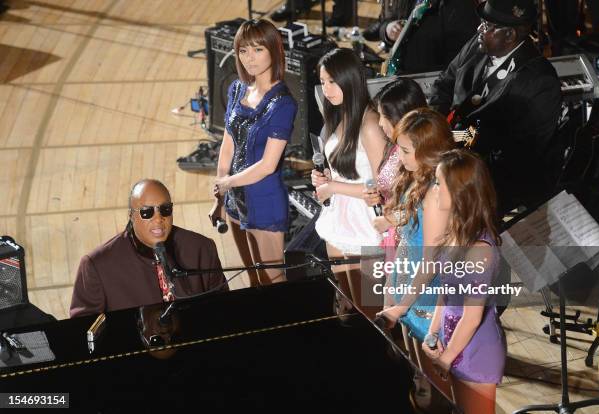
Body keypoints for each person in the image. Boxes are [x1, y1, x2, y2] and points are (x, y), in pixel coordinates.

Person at [429, 0, 562, 215]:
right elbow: (444, 84)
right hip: (449, 154)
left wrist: (455, 155)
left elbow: (518, 156)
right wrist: (434, 132)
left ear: (509, 35)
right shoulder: (478, 44)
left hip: (487, 186)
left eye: (486, 25)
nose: (479, 29)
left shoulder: (539, 81)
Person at [375, 108, 455, 404]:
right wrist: (391, 219)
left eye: (405, 150)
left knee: (435, 383)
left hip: (424, 295)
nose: (399, 155)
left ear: (427, 151)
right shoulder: (419, 176)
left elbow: (432, 259)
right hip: (407, 285)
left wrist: (401, 305)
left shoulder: (438, 191)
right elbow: (413, 217)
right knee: (416, 368)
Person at [213, 19, 297, 287]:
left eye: (258, 50)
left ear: (274, 50)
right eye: (243, 50)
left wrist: (227, 183)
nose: (250, 58)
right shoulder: (237, 88)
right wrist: (221, 195)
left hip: (265, 201)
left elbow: (267, 165)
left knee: (274, 282)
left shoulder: (283, 103)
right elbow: (228, 145)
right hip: (235, 198)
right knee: (253, 279)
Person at [422, 149, 506, 414]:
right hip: (452, 342)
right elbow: (445, 293)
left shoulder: (479, 250)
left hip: (476, 350)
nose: (433, 188)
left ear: (460, 193)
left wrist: (445, 359)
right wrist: (432, 333)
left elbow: (471, 318)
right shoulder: (455, 233)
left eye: (438, 182)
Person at [70, 179, 227, 318]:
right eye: (147, 212)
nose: (159, 219)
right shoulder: (97, 266)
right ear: (131, 215)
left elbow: (223, 313)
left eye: (165, 209)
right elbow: (85, 332)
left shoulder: (202, 249)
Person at [312, 48, 387, 319]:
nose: (327, 89)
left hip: (366, 223)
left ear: (351, 79)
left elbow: (382, 186)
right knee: (348, 305)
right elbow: (345, 170)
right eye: (323, 82)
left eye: (333, 81)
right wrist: (325, 179)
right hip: (339, 217)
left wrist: (333, 187)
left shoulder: (370, 124)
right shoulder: (338, 115)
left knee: (372, 311)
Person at [365, 78, 427, 250]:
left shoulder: (424, 152)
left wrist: (390, 219)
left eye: (384, 116)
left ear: (400, 115)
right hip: (396, 237)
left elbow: (426, 204)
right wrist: (377, 198)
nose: (379, 123)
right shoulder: (394, 147)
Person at [378, 0, 479, 74]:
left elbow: (462, 56)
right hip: (401, 76)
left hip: (432, 83)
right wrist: (387, 29)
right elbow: (383, 21)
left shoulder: (459, 4)